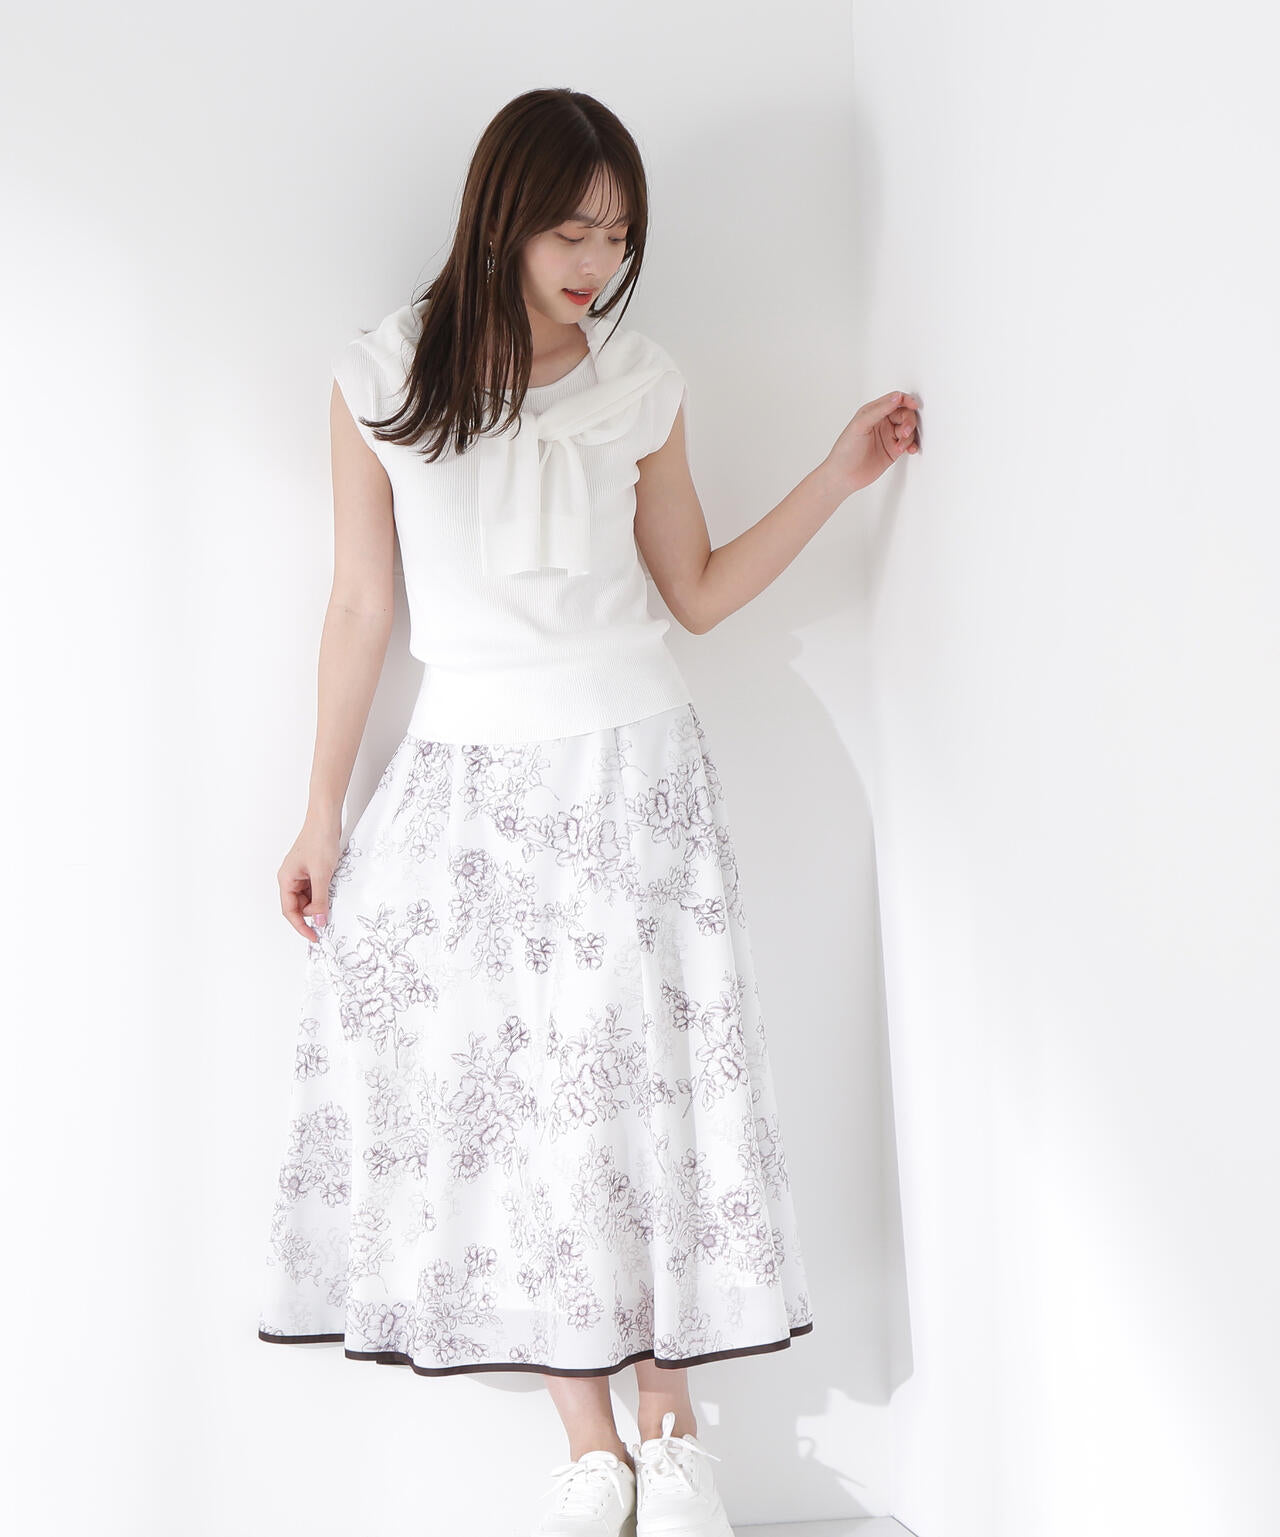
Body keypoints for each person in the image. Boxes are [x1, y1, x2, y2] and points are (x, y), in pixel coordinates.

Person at [256, 86, 920, 1537]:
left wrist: (839, 475)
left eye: (618, 236)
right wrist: (320, 813)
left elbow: (696, 592)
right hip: (466, 788)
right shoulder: (380, 377)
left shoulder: (642, 382)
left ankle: (672, 1433)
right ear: (503, 217)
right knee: (519, 1107)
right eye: (573, 230)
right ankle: (588, 1448)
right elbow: (360, 606)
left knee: (642, 1091)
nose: (597, 262)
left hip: (631, 768)